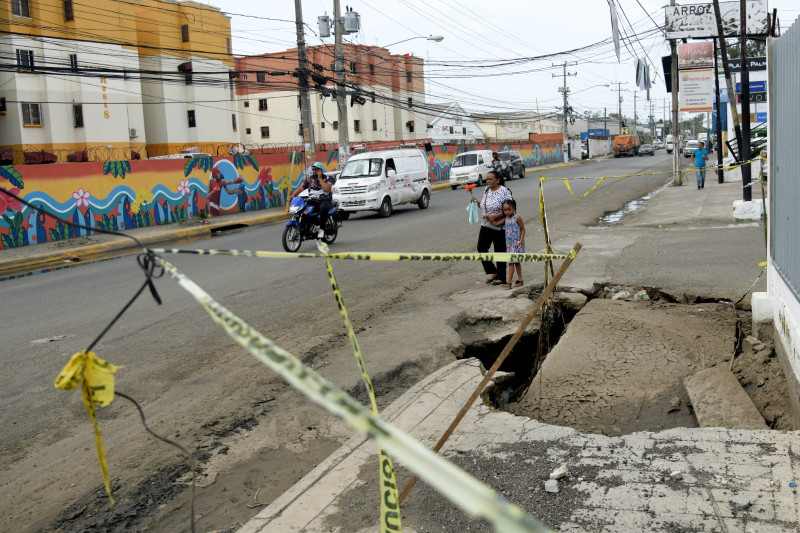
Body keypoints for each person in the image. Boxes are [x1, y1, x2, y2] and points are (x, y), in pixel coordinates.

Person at [469, 170, 512, 285]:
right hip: (486, 225)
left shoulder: (504, 191)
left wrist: (495, 217)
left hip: (500, 227)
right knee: (481, 248)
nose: (488, 181)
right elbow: (485, 208)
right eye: (487, 179)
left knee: (500, 251)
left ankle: (501, 277)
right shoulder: (486, 190)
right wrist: (477, 202)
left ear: (498, 180)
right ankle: (493, 271)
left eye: (491, 179)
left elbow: (510, 210)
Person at [289, 161, 333, 238]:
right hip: (313, 200)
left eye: (316, 169)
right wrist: (293, 195)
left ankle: (322, 229)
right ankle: (304, 227)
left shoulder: (327, 178)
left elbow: (327, 189)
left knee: (323, 208)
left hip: (324, 200)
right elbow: (301, 188)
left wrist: (320, 178)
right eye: (313, 169)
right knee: (303, 208)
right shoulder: (309, 179)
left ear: (321, 170)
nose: (314, 171)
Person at [495, 198, 525, 288]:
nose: (507, 212)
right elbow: (496, 224)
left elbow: (523, 229)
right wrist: (487, 218)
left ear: (514, 208)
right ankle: (519, 280)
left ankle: (509, 282)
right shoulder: (506, 219)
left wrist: (521, 240)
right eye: (505, 210)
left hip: (516, 244)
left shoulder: (517, 217)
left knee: (513, 262)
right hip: (509, 244)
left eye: (509, 209)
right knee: (514, 262)